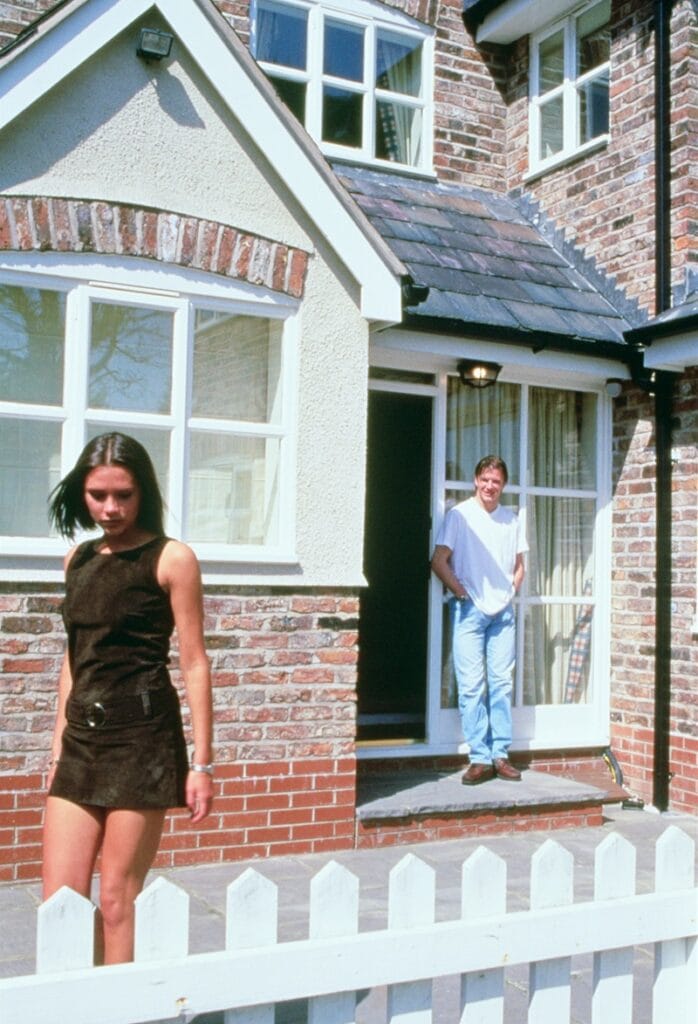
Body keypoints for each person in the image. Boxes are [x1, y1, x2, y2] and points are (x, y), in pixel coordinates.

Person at [43, 432, 214, 964]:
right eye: (98, 495)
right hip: (80, 744)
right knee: (61, 901)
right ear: (81, 493)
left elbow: (194, 662)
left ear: (144, 493)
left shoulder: (171, 559)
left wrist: (202, 764)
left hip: (142, 741)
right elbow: (75, 660)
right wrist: (54, 752)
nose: (111, 508)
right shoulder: (79, 559)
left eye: (124, 495)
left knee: (118, 899)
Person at [431, 455, 527, 785]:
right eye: (485, 480)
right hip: (469, 611)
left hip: (503, 615)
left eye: (496, 482)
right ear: (476, 480)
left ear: (503, 485)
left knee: (501, 685)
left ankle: (500, 755)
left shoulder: (510, 520)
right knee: (471, 686)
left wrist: (510, 592)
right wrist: (461, 592)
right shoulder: (460, 516)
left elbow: (519, 564)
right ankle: (479, 757)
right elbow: (439, 560)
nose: (490, 486)